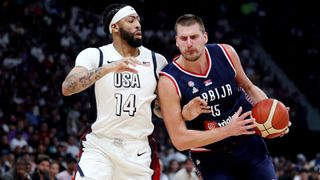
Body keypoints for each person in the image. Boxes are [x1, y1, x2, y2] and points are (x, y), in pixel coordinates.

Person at [157, 14, 290, 179]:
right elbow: (179, 140)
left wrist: (274, 115)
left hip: (248, 143)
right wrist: (228, 130)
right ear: (176, 41)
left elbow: (248, 86)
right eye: (183, 38)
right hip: (210, 156)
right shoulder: (169, 80)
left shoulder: (225, 52)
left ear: (205, 37)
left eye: (194, 37)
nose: (189, 43)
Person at [61, 3, 167, 180]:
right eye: (131, 20)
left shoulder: (158, 60)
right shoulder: (95, 55)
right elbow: (68, 87)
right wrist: (108, 68)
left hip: (137, 149)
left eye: (138, 20)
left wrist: (182, 112)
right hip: (100, 145)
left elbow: (158, 108)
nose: (138, 24)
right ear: (114, 27)